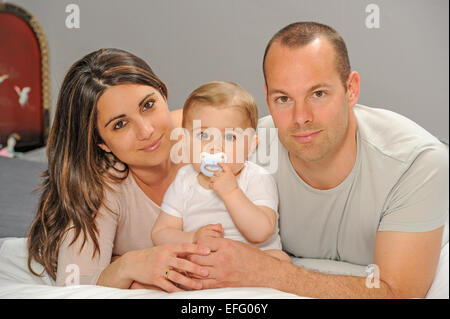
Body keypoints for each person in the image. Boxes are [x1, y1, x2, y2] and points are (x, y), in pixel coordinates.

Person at [187, 22, 449, 298]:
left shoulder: (416, 163)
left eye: (318, 94)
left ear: (351, 89)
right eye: (284, 98)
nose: (301, 117)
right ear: (266, 97)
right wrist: (137, 263)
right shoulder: (244, 145)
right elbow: (166, 129)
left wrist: (269, 272)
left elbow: (398, 292)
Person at [27, 48, 211, 292]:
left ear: (163, 95)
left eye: (148, 105)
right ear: (101, 142)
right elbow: (73, 287)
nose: (147, 131)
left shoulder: (205, 134)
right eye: (120, 124)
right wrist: (127, 266)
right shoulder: (102, 185)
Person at [151, 81, 290, 262]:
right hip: (204, 260)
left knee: (279, 259)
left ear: (250, 146)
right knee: (169, 264)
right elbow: (160, 234)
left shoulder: (257, 178)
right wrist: (193, 239)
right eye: (203, 135)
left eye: (230, 137)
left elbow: (261, 232)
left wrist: (231, 192)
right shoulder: (184, 180)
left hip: (251, 262)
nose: (214, 146)